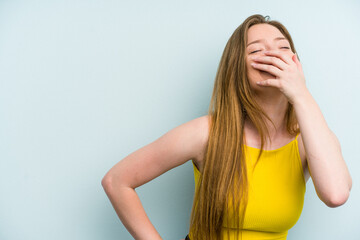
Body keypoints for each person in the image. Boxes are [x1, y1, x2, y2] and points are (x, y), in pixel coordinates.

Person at [101, 14, 352, 240]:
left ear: (296, 64)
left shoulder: (310, 138)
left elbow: (336, 194)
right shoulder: (206, 133)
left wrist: (301, 94)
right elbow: (116, 181)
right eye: (256, 51)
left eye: (283, 48)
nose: (274, 56)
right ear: (237, 69)